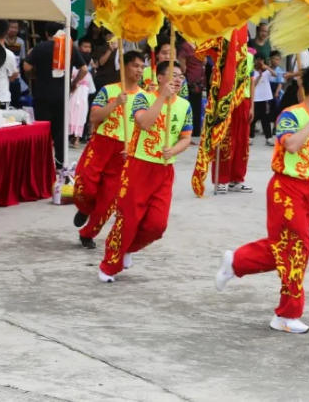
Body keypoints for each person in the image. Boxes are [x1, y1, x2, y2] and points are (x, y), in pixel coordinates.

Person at [213, 64, 309, 334]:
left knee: (283, 249)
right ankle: (287, 314)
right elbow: (291, 145)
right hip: (285, 187)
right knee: (299, 249)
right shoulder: (290, 116)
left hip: (306, 191)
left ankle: (237, 262)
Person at [99, 61, 192, 282]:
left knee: (157, 225)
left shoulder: (184, 106)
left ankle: (129, 248)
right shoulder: (143, 98)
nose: (178, 80)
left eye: (181, 76)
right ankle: (109, 265)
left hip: (164, 170)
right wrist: (162, 98)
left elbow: (186, 138)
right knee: (129, 219)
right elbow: (144, 123)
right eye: (173, 75)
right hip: (139, 165)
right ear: (160, 78)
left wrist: (174, 150)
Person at [71, 51, 146, 248]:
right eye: (135, 65)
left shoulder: (145, 96)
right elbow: (94, 118)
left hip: (125, 151)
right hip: (102, 143)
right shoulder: (108, 90)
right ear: (124, 66)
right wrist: (116, 103)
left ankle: (88, 233)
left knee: (109, 199)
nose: (139, 70)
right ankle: (85, 208)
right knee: (85, 185)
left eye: (142, 66)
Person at [24, 25, 88, 167]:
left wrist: (35, 76)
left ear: (46, 32)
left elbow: (26, 67)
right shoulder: (69, 48)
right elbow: (83, 69)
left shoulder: (40, 47)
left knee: (42, 131)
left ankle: (40, 163)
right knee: (60, 131)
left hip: (42, 95)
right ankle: (59, 164)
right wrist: (73, 83)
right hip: (61, 96)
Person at [215, 50, 254, 195]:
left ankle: (237, 179)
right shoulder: (225, 55)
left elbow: (251, 81)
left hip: (244, 101)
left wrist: (252, 106)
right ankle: (222, 179)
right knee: (226, 140)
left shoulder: (249, 57)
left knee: (242, 142)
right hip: (227, 101)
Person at [252, 54, 275, 147]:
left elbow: (275, 74)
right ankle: (250, 137)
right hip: (255, 98)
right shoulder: (252, 71)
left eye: (261, 60)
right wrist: (259, 76)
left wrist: (267, 68)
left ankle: (268, 138)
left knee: (265, 118)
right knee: (253, 118)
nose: (260, 62)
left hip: (265, 98)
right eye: (258, 60)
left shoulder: (267, 71)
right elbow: (253, 85)